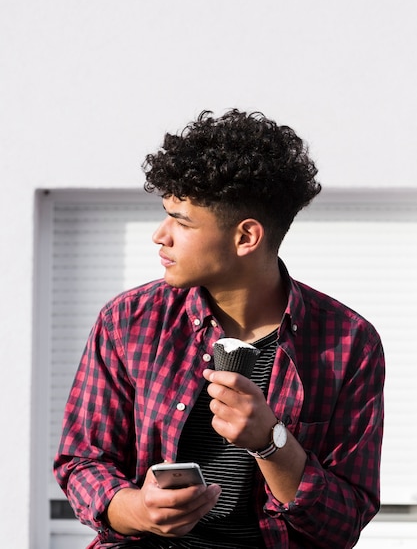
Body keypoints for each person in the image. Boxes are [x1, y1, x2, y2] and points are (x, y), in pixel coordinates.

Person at [54, 109, 385, 549]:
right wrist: (138, 509)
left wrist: (271, 441)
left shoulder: (348, 343)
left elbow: (343, 526)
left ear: (246, 237)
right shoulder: (129, 319)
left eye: (182, 221)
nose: (160, 235)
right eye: (164, 214)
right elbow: (82, 461)